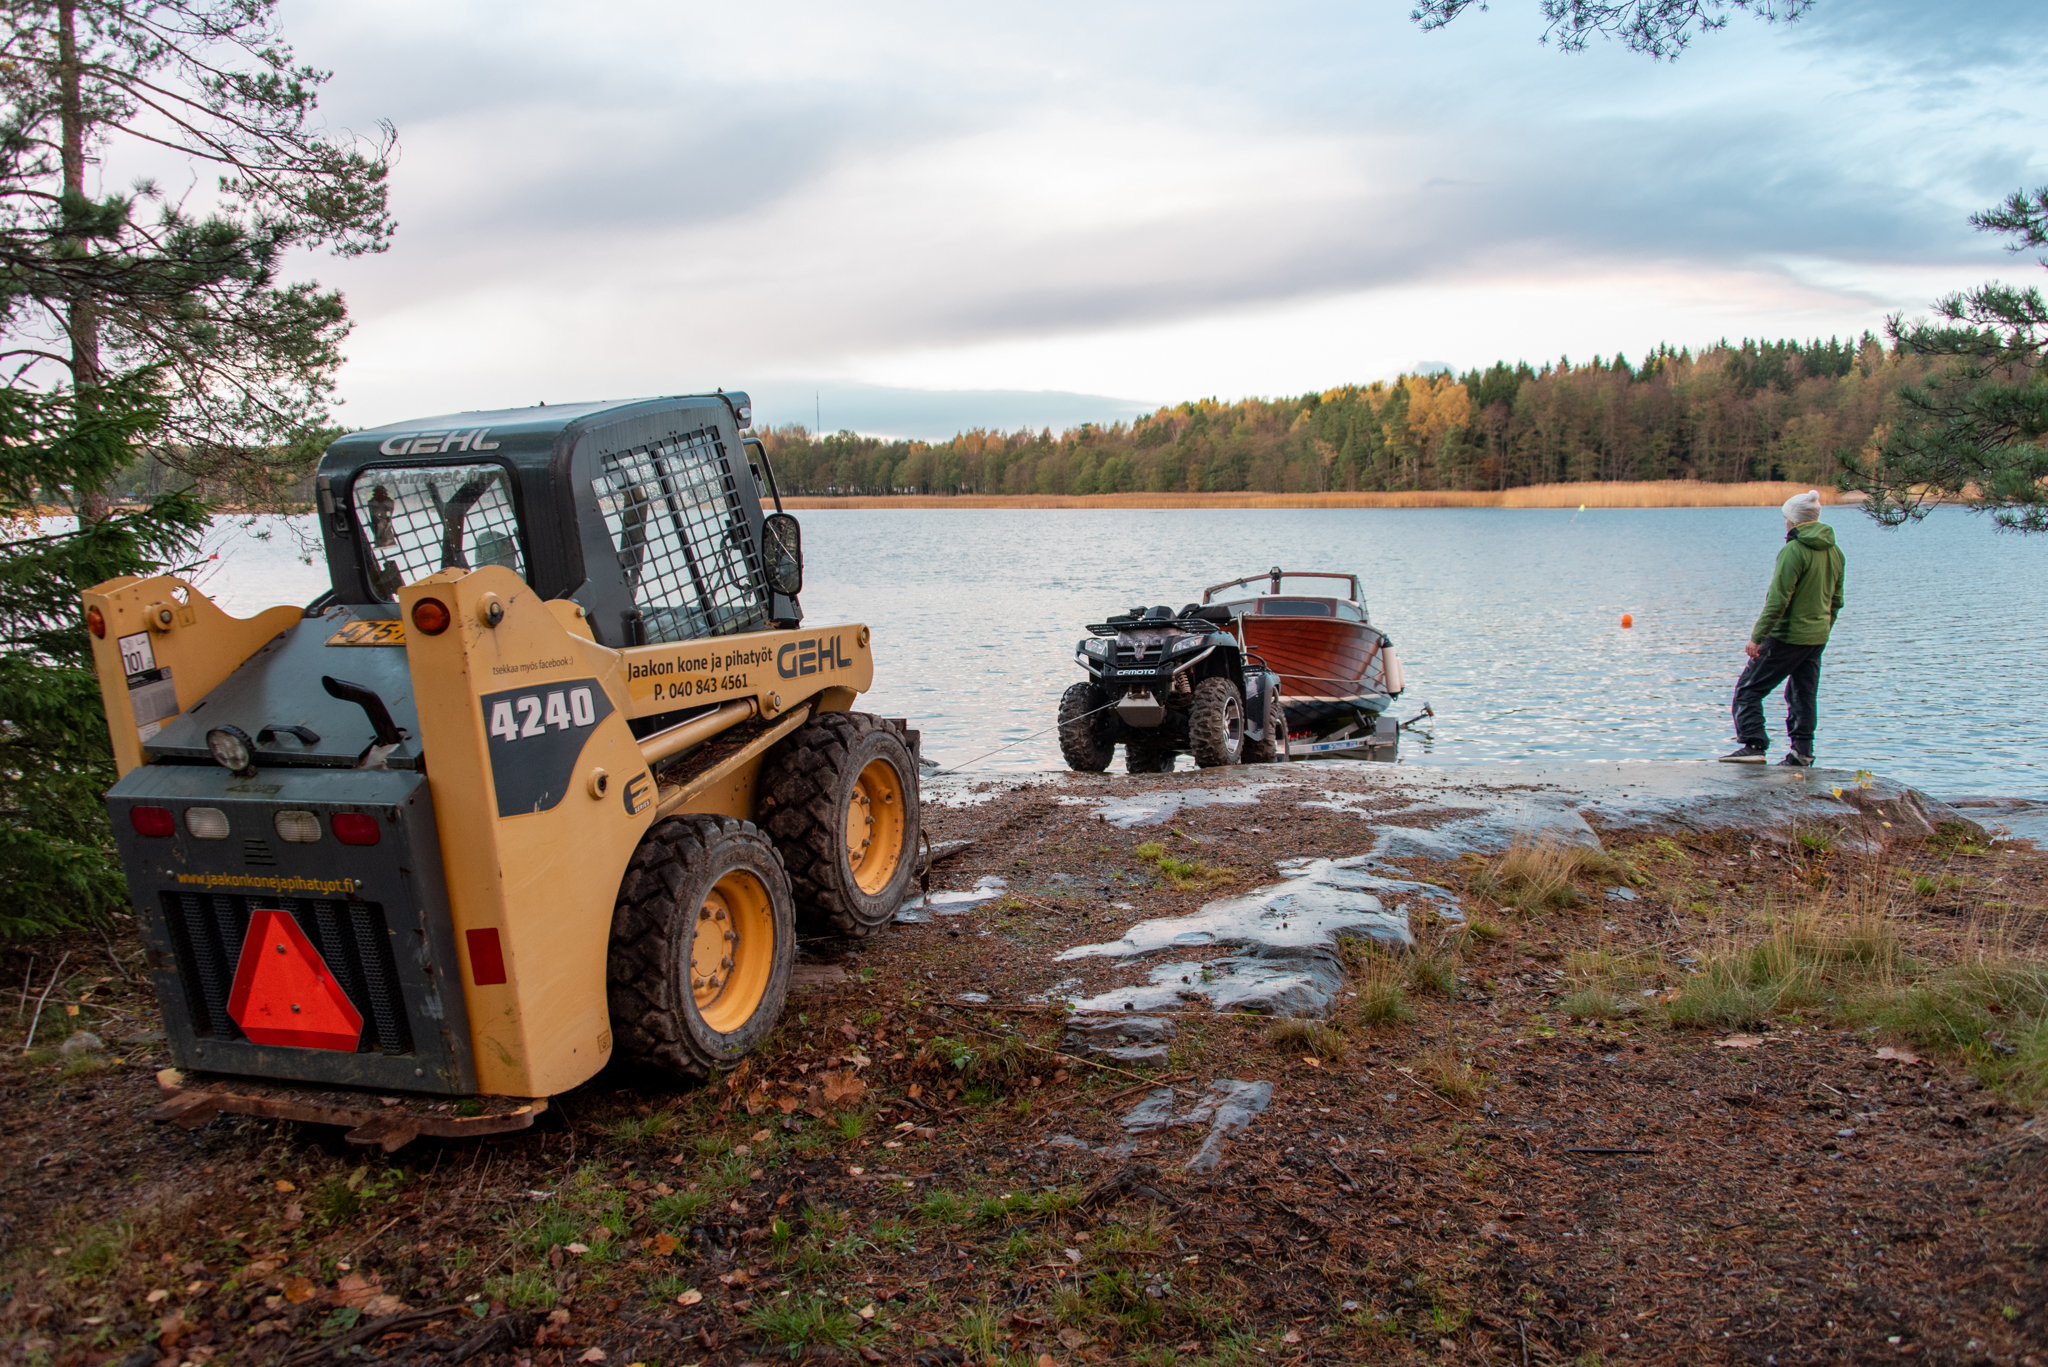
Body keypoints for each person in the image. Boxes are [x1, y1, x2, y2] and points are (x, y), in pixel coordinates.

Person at [1721, 490, 1845, 766]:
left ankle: (1754, 745)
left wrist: (1757, 637)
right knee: (1802, 693)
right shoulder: (1835, 552)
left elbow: (1778, 600)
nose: (1785, 523)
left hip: (1787, 636)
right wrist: (1823, 630)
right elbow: (1837, 600)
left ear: (1792, 520)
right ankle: (1802, 753)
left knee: (1748, 690)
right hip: (1816, 637)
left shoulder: (1793, 551)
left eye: (1786, 518)